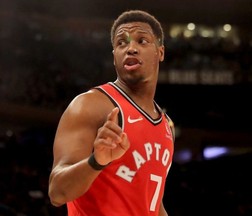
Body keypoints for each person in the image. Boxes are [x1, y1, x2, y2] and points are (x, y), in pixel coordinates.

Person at [48, 9, 175, 216]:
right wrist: (96, 161)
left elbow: (152, 203)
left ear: (160, 52)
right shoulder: (90, 104)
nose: (131, 48)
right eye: (121, 43)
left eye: (142, 41)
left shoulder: (165, 125)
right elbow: (57, 192)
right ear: (114, 55)